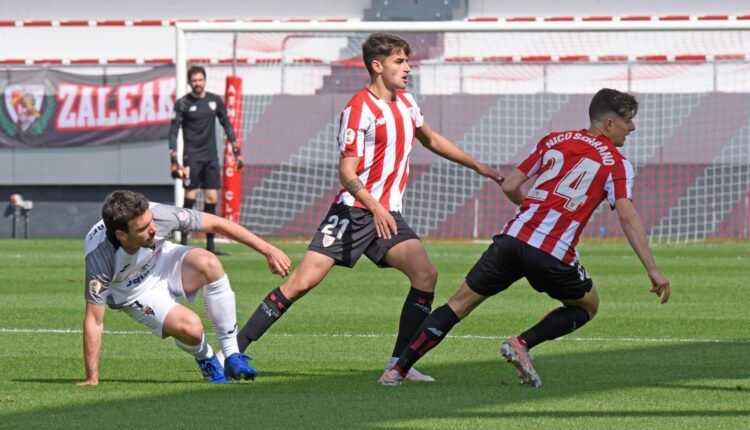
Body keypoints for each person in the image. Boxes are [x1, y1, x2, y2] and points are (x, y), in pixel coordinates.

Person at [234, 33, 504, 381]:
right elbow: (346, 171)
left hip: (386, 214)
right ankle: (233, 349)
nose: (407, 67)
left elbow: (432, 139)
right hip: (353, 212)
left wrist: (478, 166)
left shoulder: (406, 102)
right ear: (377, 66)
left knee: (426, 275)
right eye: (399, 61)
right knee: (301, 283)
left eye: (407, 60)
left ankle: (399, 365)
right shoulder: (358, 109)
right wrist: (373, 205)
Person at [379, 88, 671, 387]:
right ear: (609, 124)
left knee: (457, 305)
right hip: (551, 253)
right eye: (628, 121)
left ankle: (396, 370)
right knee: (588, 306)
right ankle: (522, 343)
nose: (632, 127)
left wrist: (537, 210)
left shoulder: (554, 139)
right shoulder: (617, 163)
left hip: (511, 240)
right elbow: (627, 214)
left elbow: (511, 185)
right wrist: (652, 268)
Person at [79, 190, 291, 386]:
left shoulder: (159, 215)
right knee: (191, 328)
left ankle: (232, 355)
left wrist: (268, 250)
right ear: (121, 235)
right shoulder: (100, 255)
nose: (153, 229)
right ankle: (207, 359)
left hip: (163, 259)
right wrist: (92, 378)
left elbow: (217, 224)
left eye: (150, 222)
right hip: (135, 293)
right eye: (143, 229)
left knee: (209, 263)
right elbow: (94, 319)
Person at [168, 65, 242, 255]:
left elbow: (227, 123)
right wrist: (174, 157)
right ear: (189, 82)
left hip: (210, 157)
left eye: (200, 80)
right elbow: (174, 132)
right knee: (190, 198)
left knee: (211, 198)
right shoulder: (183, 103)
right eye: (194, 80)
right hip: (191, 158)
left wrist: (236, 148)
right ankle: (183, 242)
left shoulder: (214, 101)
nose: (197, 83)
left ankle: (210, 245)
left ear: (205, 80)